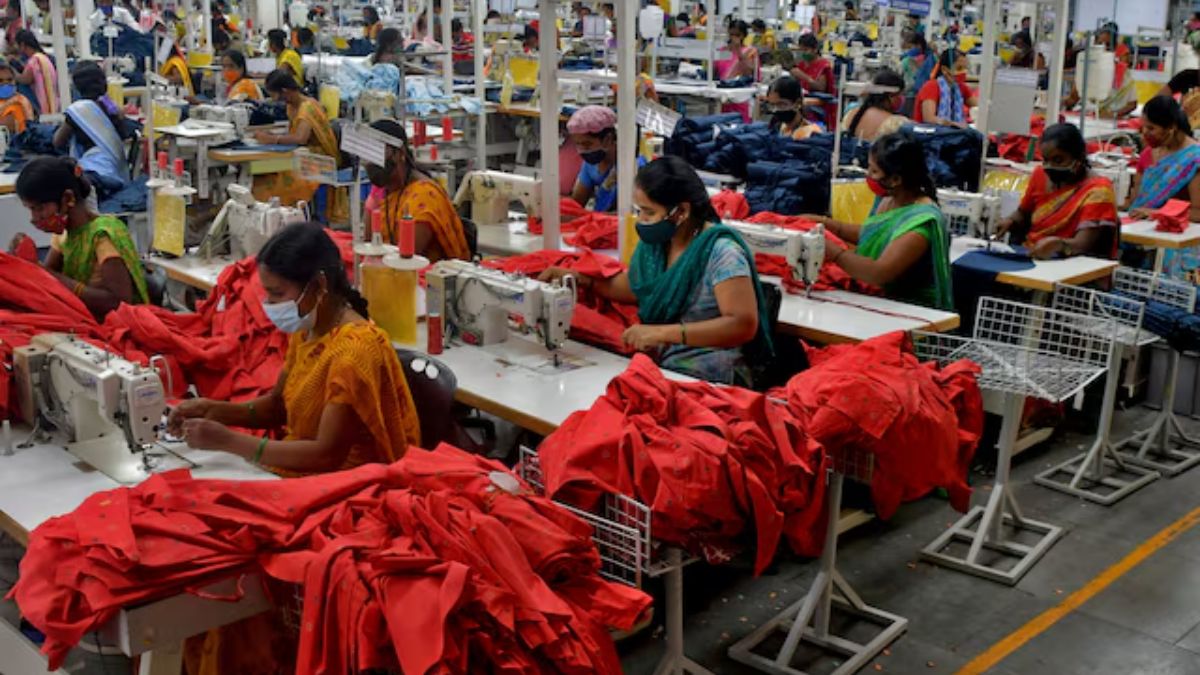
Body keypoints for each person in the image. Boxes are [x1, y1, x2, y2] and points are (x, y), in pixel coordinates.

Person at [169, 222, 420, 474]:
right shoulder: (309, 331)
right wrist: (212, 410)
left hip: (348, 482)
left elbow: (326, 455)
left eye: (277, 294)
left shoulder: (353, 352)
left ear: (318, 285)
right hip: (303, 470)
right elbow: (277, 407)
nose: (269, 305)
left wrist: (229, 441)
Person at [540, 156, 774, 387]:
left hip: (712, 371)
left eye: (649, 212)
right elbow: (636, 288)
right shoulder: (660, 243)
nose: (641, 219)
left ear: (681, 211)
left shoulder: (723, 254)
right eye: (639, 210)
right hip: (664, 357)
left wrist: (661, 333)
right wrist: (582, 280)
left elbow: (742, 325)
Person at [802, 132, 952, 310]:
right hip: (876, 301)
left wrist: (833, 252)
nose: (869, 175)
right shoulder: (889, 198)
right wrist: (825, 223)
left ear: (895, 179)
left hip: (910, 311)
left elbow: (879, 273)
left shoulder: (921, 223)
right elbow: (872, 233)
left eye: (874, 171)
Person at [9, 157, 147, 319]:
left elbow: (119, 303)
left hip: (117, 324)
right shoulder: (64, 235)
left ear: (67, 199)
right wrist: (22, 260)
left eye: (39, 208)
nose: (34, 218)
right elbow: (46, 282)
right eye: (31, 210)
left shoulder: (103, 235)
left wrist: (42, 270)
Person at [996, 124, 1119, 259]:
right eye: (1046, 160)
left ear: (1079, 156)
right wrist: (1010, 221)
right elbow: (1022, 213)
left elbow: (1083, 245)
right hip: (1030, 253)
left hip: (1070, 262)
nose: (1050, 166)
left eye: (1058, 160)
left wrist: (1058, 245)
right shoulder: (1040, 175)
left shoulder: (1098, 191)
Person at [362, 119, 470, 262]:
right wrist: (372, 202)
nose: (369, 163)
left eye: (376, 154)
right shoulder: (384, 190)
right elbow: (369, 244)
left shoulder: (424, 197)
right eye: (367, 155)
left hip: (424, 272)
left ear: (399, 154)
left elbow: (405, 258)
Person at [252, 70, 342, 214]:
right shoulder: (292, 106)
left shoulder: (307, 108)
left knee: (272, 175)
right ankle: (265, 213)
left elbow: (301, 138)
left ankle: (282, 214)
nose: (274, 100)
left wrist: (271, 139)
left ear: (285, 91)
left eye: (274, 95)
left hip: (320, 160)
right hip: (304, 155)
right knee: (258, 171)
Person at [54, 61, 131, 200]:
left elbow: (58, 142)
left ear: (77, 87)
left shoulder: (79, 110)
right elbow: (124, 136)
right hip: (114, 170)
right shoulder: (110, 106)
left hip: (95, 172)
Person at [1129, 95, 1200, 222]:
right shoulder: (1147, 155)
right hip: (1139, 227)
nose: (1144, 133)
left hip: (1176, 231)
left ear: (1171, 127)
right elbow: (1136, 201)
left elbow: (1198, 213)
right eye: (1143, 127)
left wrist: (1158, 213)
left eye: (1151, 128)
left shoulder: (1194, 159)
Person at [568, 105, 640, 213]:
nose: (581, 150)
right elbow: (576, 205)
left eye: (587, 144)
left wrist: (592, 217)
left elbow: (631, 214)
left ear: (608, 139)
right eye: (577, 144)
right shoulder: (590, 166)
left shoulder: (632, 165)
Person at [841, 69, 909, 141]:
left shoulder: (851, 114)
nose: (902, 98)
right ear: (891, 96)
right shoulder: (897, 123)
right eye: (901, 94)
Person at [914, 49, 976, 127]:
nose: (963, 72)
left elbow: (978, 107)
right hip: (928, 132)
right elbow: (929, 118)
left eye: (966, 68)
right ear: (944, 70)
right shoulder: (931, 87)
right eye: (959, 68)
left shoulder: (961, 87)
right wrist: (952, 124)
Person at [763, 75, 822, 140]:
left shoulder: (811, 134)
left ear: (797, 103)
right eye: (772, 105)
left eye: (781, 104)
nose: (775, 109)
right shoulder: (779, 127)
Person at [12, 29, 57, 114]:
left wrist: (12, 72)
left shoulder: (35, 60)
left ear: (22, 45)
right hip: (54, 99)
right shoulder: (46, 57)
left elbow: (25, 80)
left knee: (21, 86)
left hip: (42, 103)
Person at [899, 30, 936, 101]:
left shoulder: (906, 61)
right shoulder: (932, 58)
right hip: (927, 95)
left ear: (918, 45)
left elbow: (898, 77)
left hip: (910, 96)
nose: (908, 50)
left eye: (910, 47)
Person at [0, 62, 35, 134]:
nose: (5, 83)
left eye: (9, 80)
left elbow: (7, 125)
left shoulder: (20, 102)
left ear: (14, 81)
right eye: (0, 81)